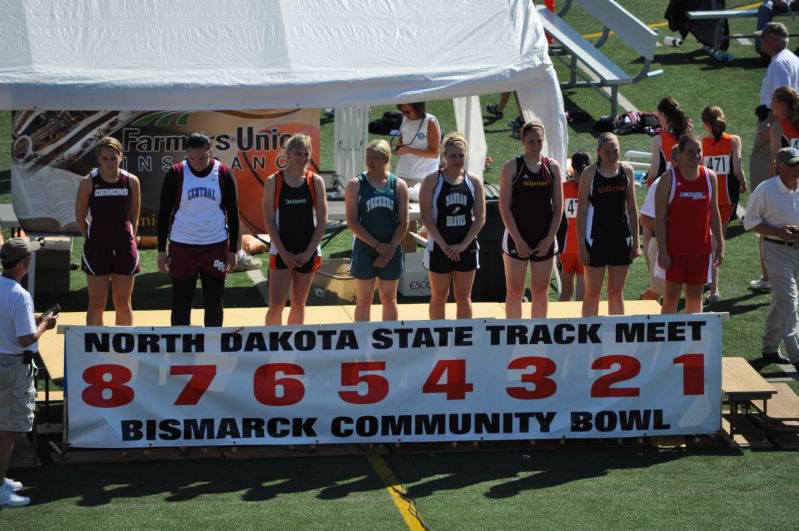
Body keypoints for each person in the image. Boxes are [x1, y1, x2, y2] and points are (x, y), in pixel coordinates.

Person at [157, 132, 240, 327]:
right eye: (192, 158)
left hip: (215, 246)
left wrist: (234, 250)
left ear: (210, 152)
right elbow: (163, 215)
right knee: (181, 303)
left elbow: (234, 214)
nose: (197, 162)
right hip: (182, 246)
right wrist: (161, 251)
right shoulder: (176, 173)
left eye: (202, 158)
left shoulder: (223, 173)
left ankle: (213, 349)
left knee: (214, 302)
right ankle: (180, 348)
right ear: (187, 154)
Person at [0, 238, 58, 508]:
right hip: (13, 368)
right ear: (24, 263)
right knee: (8, 429)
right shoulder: (19, 295)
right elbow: (25, 339)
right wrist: (45, 323)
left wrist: (32, 319)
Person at [750, 22, 799, 292]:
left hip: (783, 182)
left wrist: (767, 187)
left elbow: (774, 160)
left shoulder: (779, 126)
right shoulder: (792, 58)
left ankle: (768, 278)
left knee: (768, 227)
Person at [499, 120, 564, 318]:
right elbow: (504, 206)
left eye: (539, 141)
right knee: (515, 291)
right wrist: (518, 240)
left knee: (541, 292)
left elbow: (558, 207)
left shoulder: (552, 167)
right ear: (522, 141)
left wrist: (549, 238)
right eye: (531, 142)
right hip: (516, 236)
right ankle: (514, 335)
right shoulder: (511, 167)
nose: (536, 145)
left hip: (544, 236)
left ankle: (538, 335)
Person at [263, 133, 328, 326]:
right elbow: (268, 221)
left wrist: (308, 252)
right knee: (276, 304)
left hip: (307, 250)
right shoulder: (273, 181)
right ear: (288, 154)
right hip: (282, 249)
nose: (302, 158)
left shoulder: (315, 181)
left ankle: (294, 346)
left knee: (299, 302)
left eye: (306, 154)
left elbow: (323, 220)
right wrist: (283, 252)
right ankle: (271, 346)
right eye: (298, 154)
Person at [75, 137, 141, 326]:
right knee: (96, 304)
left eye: (114, 158)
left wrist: (130, 238)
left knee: (123, 304)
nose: (110, 162)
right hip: (97, 248)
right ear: (99, 159)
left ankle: (124, 350)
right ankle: (96, 350)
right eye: (105, 159)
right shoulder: (88, 182)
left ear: (121, 157)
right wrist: (89, 238)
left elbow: (134, 216)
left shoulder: (131, 181)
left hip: (124, 248)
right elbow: (80, 216)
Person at [743, 146, 799, 369]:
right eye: (793, 165)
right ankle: (796, 354)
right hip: (775, 250)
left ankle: (769, 347)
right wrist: (778, 231)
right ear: (780, 167)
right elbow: (750, 222)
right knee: (789, 299)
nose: (797, 169)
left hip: (796, 248)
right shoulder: (765, 190)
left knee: (781, 298)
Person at [419, 132, 486, 319]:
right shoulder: (433, 180)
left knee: (464, 298)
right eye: (453, 155)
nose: (457, 159)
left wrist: (462, 246)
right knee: (439, 297)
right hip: (440, 246)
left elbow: (480, 218)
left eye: (461, 155)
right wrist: (444, 245)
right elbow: (425, 216)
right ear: (445, 156)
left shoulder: (473, 181)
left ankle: (463, 342)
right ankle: (438, 340)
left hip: (466, 246)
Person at [656, 135, 724, 314]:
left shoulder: (710, 177)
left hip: (701, 251)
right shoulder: (668, 179)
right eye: (690, 152)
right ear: (680, 154)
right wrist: (662, 251)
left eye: (699, 151)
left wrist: (720, 243)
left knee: (695, 297)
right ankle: (666, 340)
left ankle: (693, 341)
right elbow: (660, 219)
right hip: (674, 252)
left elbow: (714, 212)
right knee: (671, 297)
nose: (695, 155)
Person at [345, 139, 410, 322]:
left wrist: (388, 250)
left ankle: (389, 344)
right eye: (368, 156)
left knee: (389, 299)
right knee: (364, 300)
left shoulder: (398, 185)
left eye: (375, 158)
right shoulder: (355, 184)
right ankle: (361, 344)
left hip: (391, 248)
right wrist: (377, 246)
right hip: (365, 249)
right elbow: (352, 222)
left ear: (386, 159)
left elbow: (403, 222)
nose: (370, 161)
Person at [577, 133, 640, 317]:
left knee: (616, 292)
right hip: (595, 239)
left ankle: (616, 338)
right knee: (592, 292)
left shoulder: (626, 171)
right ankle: (589, 337)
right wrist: (581, 245)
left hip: (621, 239)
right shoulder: (589, 174)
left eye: (615, 151)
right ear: (599, 152)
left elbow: (632, 208)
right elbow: (581, 211)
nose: (612, 156)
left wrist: (636, 242)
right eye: (607, 152)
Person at [701, 106, 747, 304]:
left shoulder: (702, 142)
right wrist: (744, 184)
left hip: (708, 196)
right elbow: (737, 169)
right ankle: (714, 288)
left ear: (706, 124)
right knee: (718, 240)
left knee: (707, 238)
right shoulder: (733, 140)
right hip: (727, 198)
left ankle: (711, 285)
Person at [640, 145, 681, 303]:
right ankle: (642, 310)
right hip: (661, 245)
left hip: (686, 246)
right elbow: (645, 219)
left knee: (688, 292)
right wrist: (671, 227)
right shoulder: (661, 183)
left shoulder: (700, 180)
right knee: (659, 292)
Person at [559, 150, 590, 302]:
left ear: (572, 167)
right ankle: (580, 325)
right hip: (585, 247)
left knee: (566, 292)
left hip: (565, 248)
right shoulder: (592, 189)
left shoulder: (562, 188)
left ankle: (557, 324)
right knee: (581, 296)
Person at [393, 102, 441, 192]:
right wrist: (396, 148)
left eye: (407, 111)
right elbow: (401, 142)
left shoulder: (430, 121)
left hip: (423, 177)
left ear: (418, 108)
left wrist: (408, 150)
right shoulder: (405, 119)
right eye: (402, 111)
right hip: (402, 174)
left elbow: (434, 154)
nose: (404, 114)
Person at [645, 96, 691, 186]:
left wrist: (647, 182)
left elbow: (654, 170)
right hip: (689, 183)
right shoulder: (688, 135)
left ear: (662, 114)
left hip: (672, 185)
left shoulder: (658, 139)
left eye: (658, 116)